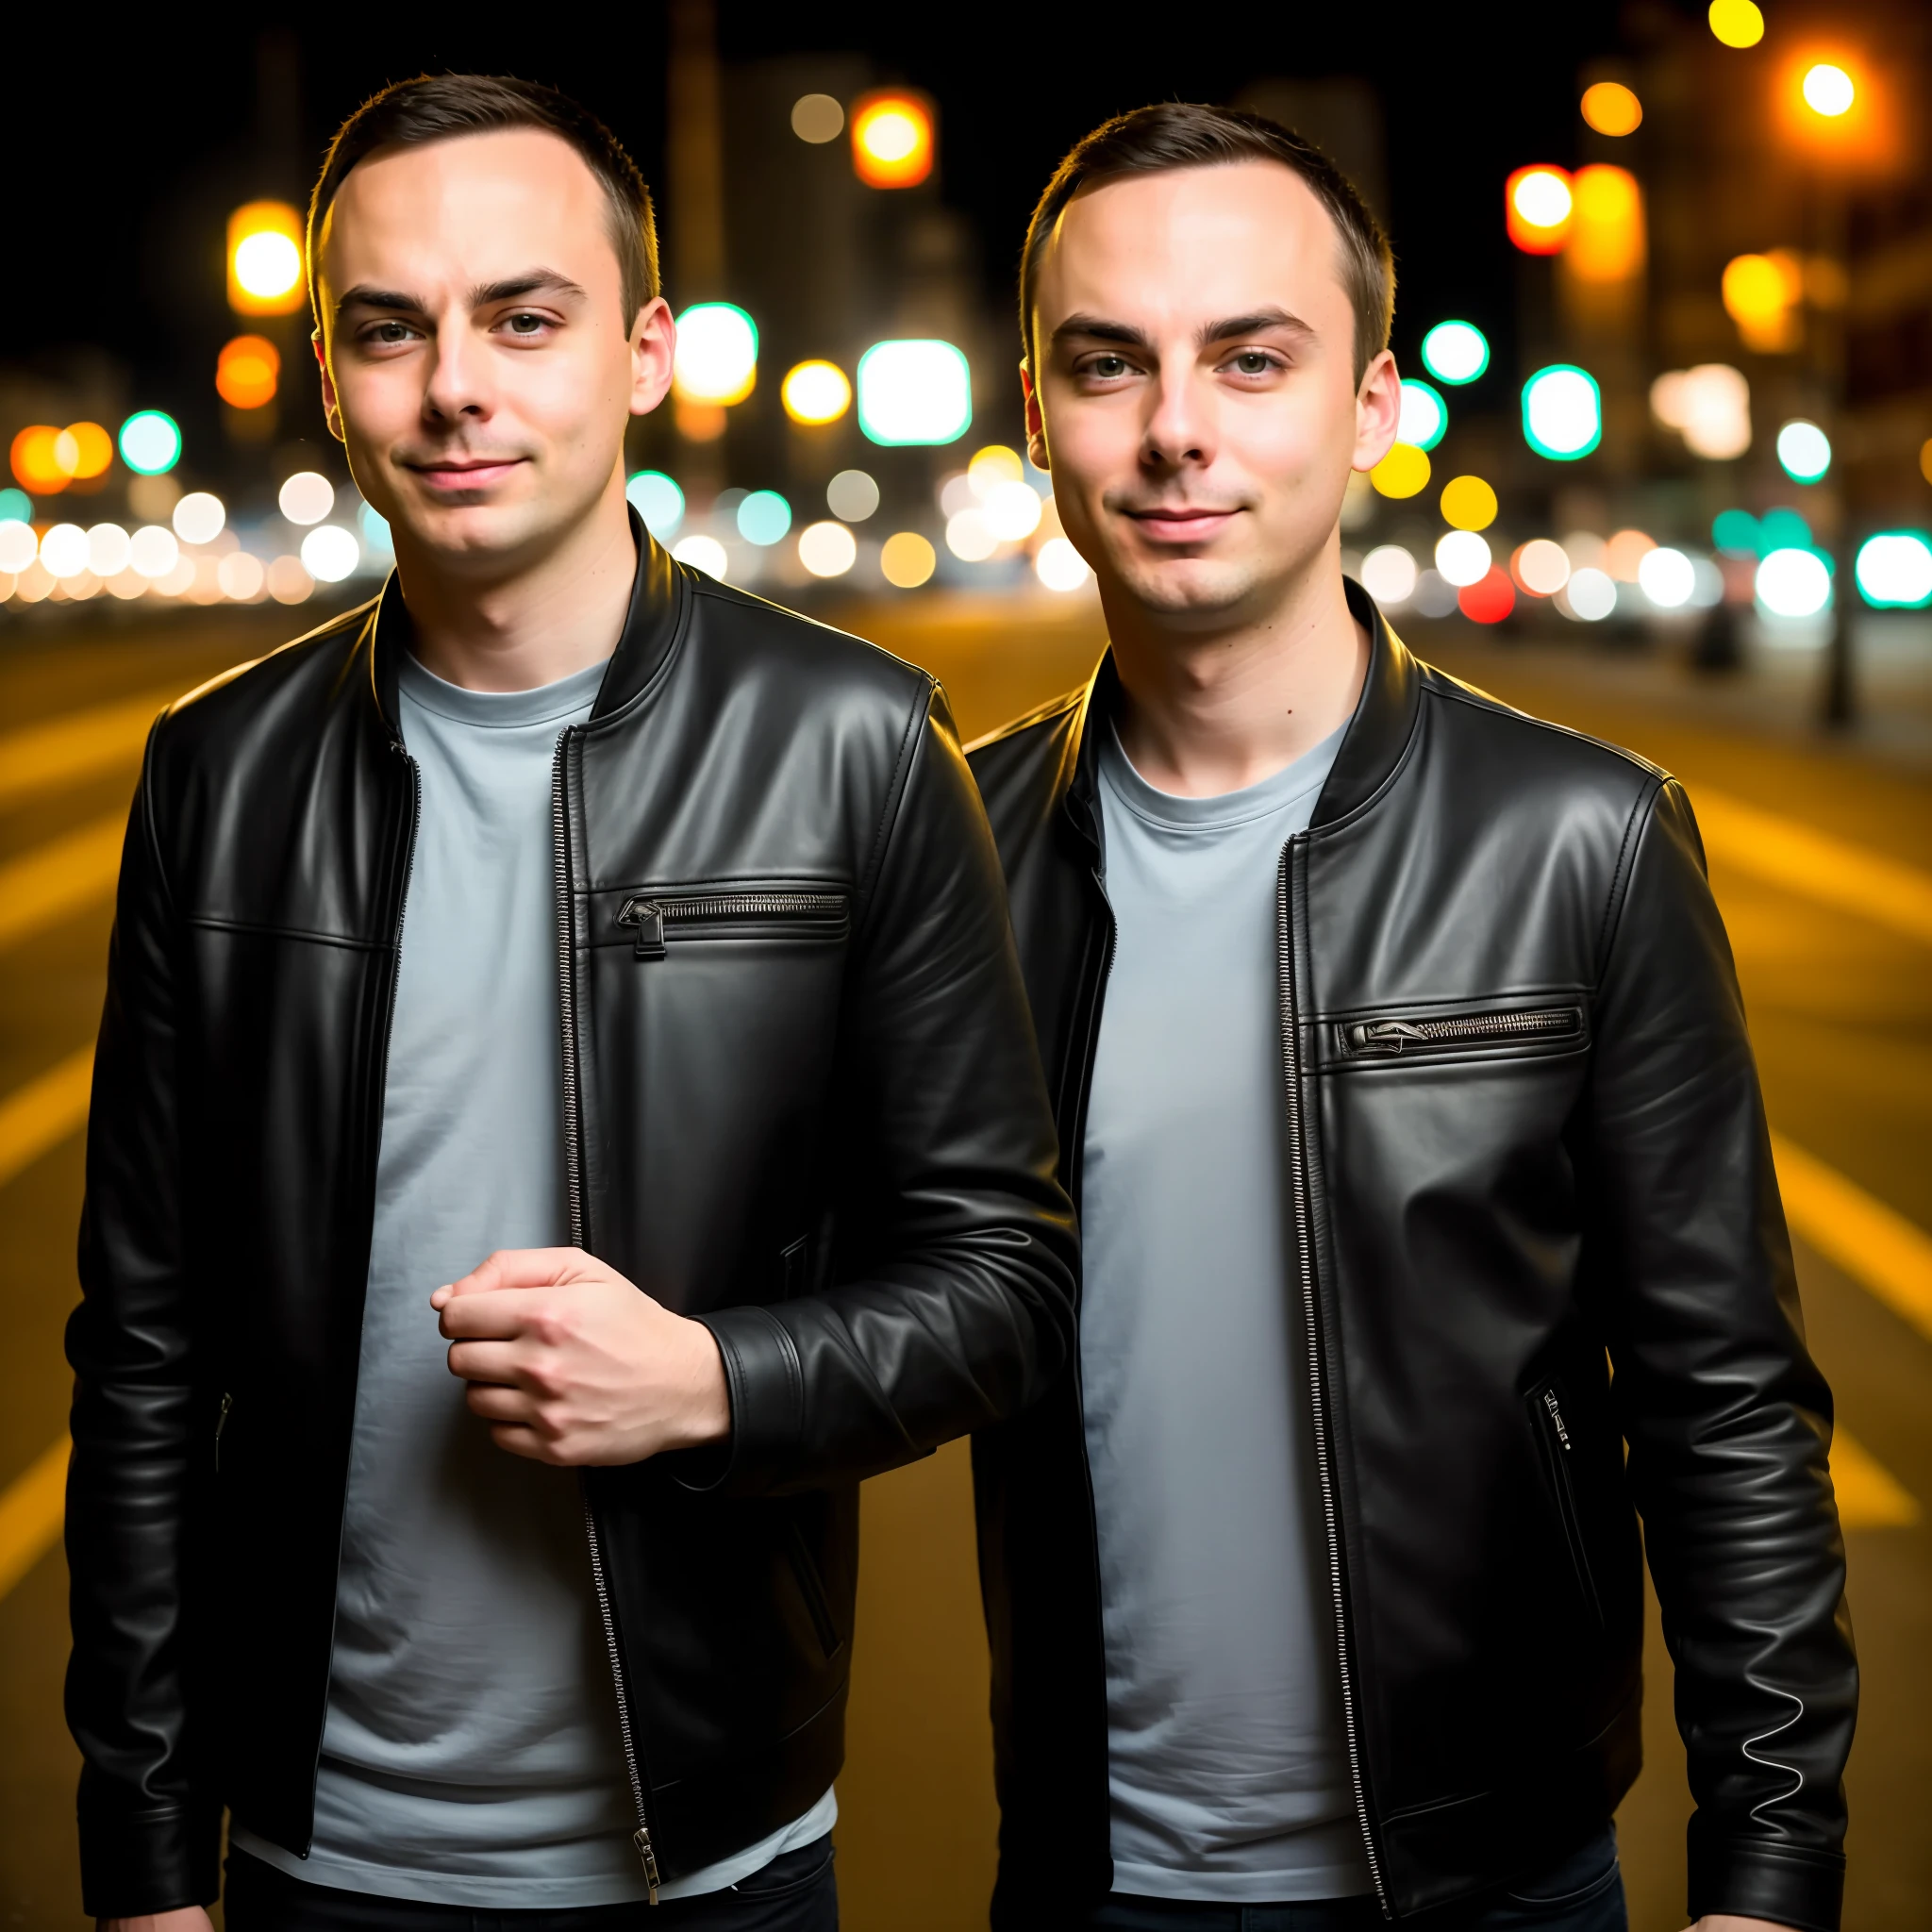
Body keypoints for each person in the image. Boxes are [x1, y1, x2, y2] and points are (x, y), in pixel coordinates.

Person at [66, 74, 1075, 1932]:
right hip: (305, 1859)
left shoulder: (854, 745)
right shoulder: (216, 777)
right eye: (391, 329)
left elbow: (1002, 1284)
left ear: (641, 353)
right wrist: (140, 1859)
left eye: (524, 319)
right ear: (334, 372)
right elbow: (144, 1359)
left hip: (714, 1858)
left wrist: (707, 1378)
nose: (455, 385)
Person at [967, 103, 1856, 1932]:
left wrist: (1771, 1873)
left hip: (1496, 1872)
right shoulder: (948, 850)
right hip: (1086, 1874)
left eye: (1251, 357)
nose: (1177, 427)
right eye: (1108, 363)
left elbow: (1723, 1401)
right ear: (1036, 406)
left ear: (1370, 404)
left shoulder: (1581, 839)